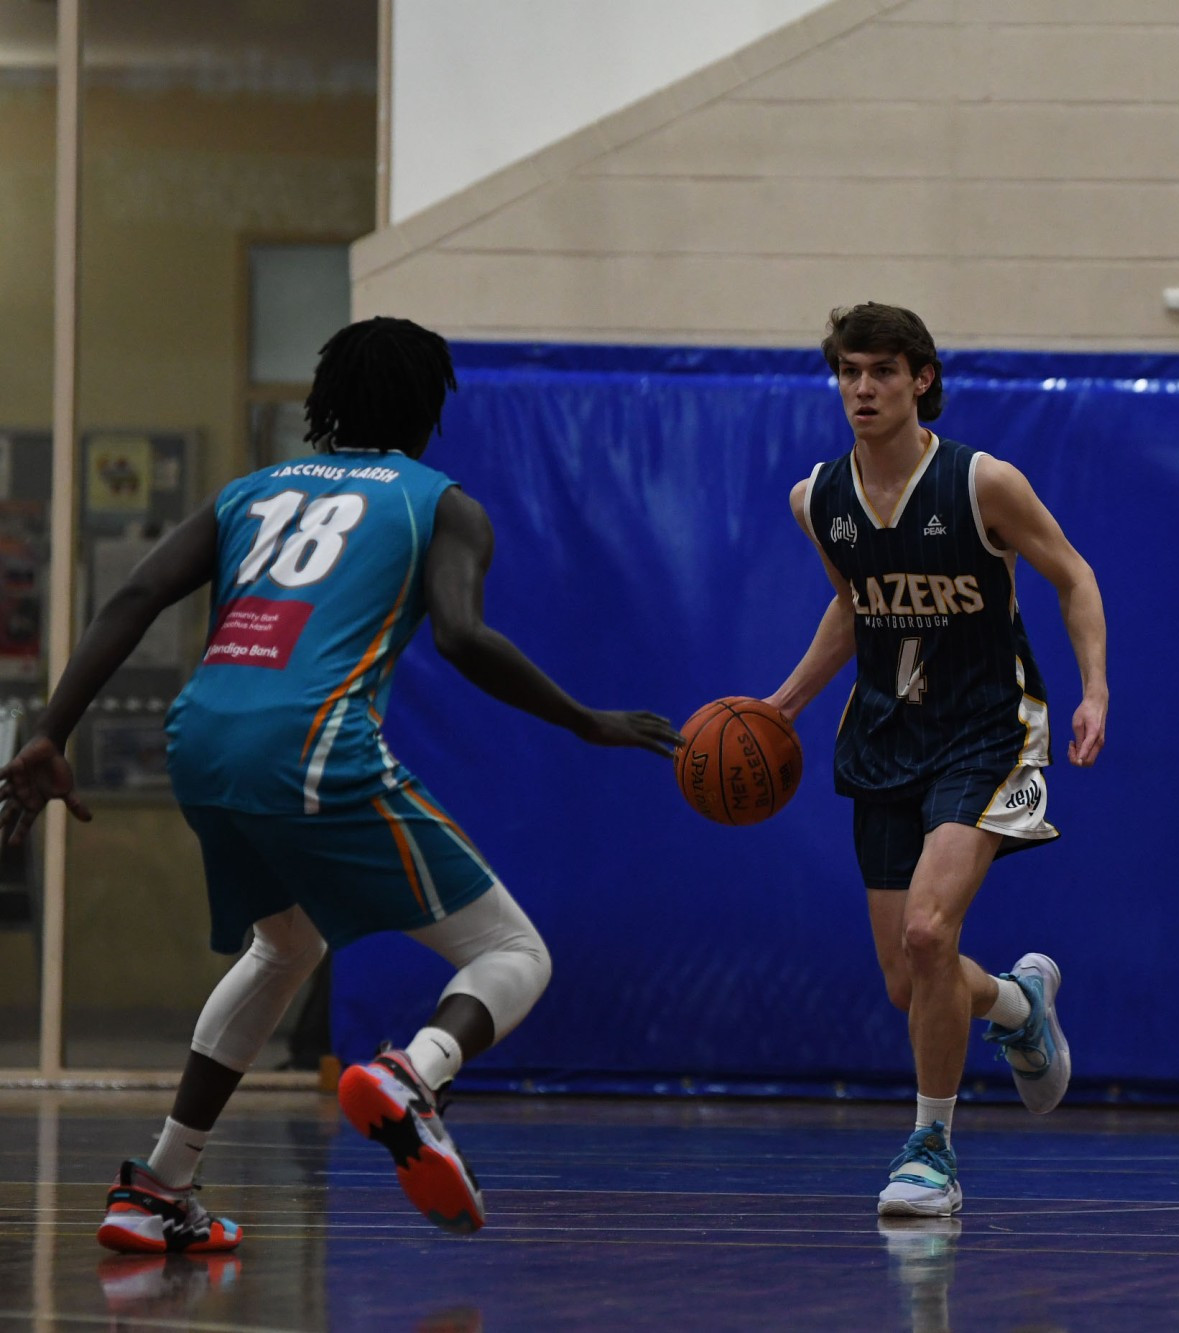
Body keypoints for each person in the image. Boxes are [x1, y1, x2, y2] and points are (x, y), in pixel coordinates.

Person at [0, 317, 679, 1253]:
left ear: (326, 402)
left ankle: (159, 1185)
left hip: (200, 740)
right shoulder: (440, 502)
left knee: (284, 945)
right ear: (428, 409)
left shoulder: (253, 490)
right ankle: (417, 1072)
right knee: (513, 954)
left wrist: (49, 731)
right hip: (310, 741)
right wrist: (585, 719)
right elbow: (463, 636)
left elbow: (134, 596)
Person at [766, 303, 1108, 1216]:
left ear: (921, 379)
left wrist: (1094, 689)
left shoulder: (981, 482)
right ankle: (1018, 1005)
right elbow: (854, 605)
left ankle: (931, 1151)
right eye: (849, 371)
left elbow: (1073, 574)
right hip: (882, 737)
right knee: (904, 976)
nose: (863, 388)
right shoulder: (819, 500)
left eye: (882, 370)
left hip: (986, 728)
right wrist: (786, 704)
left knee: (928, 934)